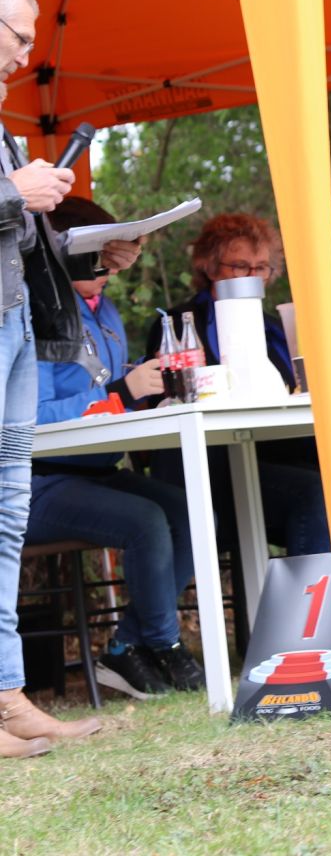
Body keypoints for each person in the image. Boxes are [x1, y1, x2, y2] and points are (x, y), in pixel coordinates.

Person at [0, 0, 141, 757]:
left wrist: (57, 225)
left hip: (17, 322)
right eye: (18, 38)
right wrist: (13, 193)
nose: (26, 57)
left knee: (7, 515)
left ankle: (8, 696)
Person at [29, 196, 205, 698]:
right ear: (63, 253)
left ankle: (127, 648)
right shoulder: (34, 314)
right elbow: (32, 418)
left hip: (98, 470)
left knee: (194, 510)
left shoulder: (102, 307)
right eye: (99, 257)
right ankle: (165, 644)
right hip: (38, 482)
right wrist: (122, 393)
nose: (109, 268)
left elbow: (109, 389)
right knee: (146, 521)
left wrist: (151, 390)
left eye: (114, 256)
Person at [147, 213, 331, 562]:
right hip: (215, 468)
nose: (252, 276)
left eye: (261, 267)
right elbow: (171, 403)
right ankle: (304, 600)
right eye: (240, 266)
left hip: (276, 455)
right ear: (210, 266)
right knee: (315, 495)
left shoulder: (274, 327)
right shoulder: (179, 325)